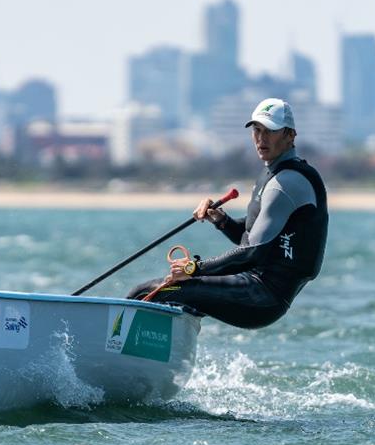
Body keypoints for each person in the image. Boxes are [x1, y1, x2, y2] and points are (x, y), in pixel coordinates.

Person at [127, 98, 328, 329]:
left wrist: (193, 268)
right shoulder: (276, 174)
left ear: (290, 135)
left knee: (145, 292)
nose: (261, 138)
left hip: (262, 295)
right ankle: (162, 357)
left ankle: (117, 347)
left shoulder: (286, 182)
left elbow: (251, 252)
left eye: (270, 131)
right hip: (257, 289)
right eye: (257, 130)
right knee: (173, 295)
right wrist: (222, 220)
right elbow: (254, 236)